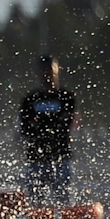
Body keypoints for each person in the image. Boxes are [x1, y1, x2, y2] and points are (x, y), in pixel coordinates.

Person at [18, 56, 79, 205]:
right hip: (36, 160)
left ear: (57, 71)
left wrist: (41, 124)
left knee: (64, 202)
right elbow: (26, 128)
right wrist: (49, 124)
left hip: (60, 158)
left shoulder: (66, 98)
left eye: (50, 71)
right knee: (35, 204)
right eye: (44, 71)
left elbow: (66, 124)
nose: (47, 75)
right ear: (38, 73)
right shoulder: (30, 99)